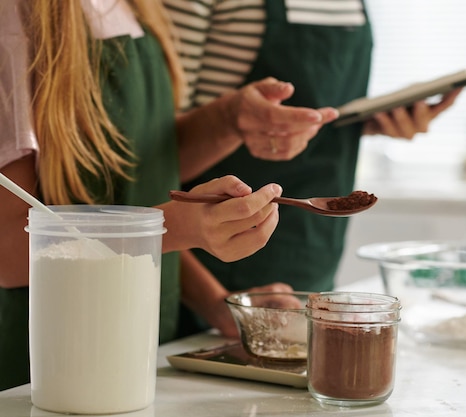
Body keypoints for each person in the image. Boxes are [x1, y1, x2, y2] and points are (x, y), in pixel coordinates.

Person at [0, 0, 338, 391]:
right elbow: (9, 250)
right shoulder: (16, 18)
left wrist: (228, 119)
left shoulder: (138, 7)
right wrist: (173, 227)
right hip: (51, 363)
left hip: (136, 345)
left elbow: (139, 170)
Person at [164, 0, 462, 338]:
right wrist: (217, 304)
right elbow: (144, 166)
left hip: (310, 272)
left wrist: (369, 123)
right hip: (201, 295)